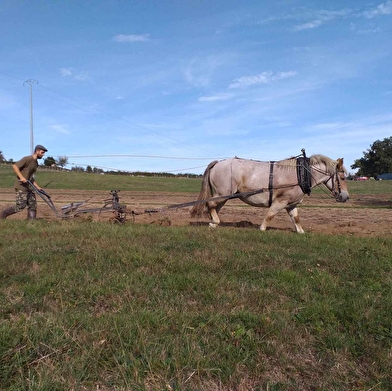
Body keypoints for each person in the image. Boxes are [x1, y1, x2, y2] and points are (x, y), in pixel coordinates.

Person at [1, 144, 48, 219]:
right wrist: (21, 177)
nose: (43, 154)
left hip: (28, 187)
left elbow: (30, 177)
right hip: (21, 186)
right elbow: (15, 166)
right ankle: (3, 214)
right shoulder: (28, 159)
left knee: (33, 205)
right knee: (20, 206)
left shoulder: (36, 163)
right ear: (37, 151)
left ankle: (31, 222)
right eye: (42, 152)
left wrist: (38, 187)